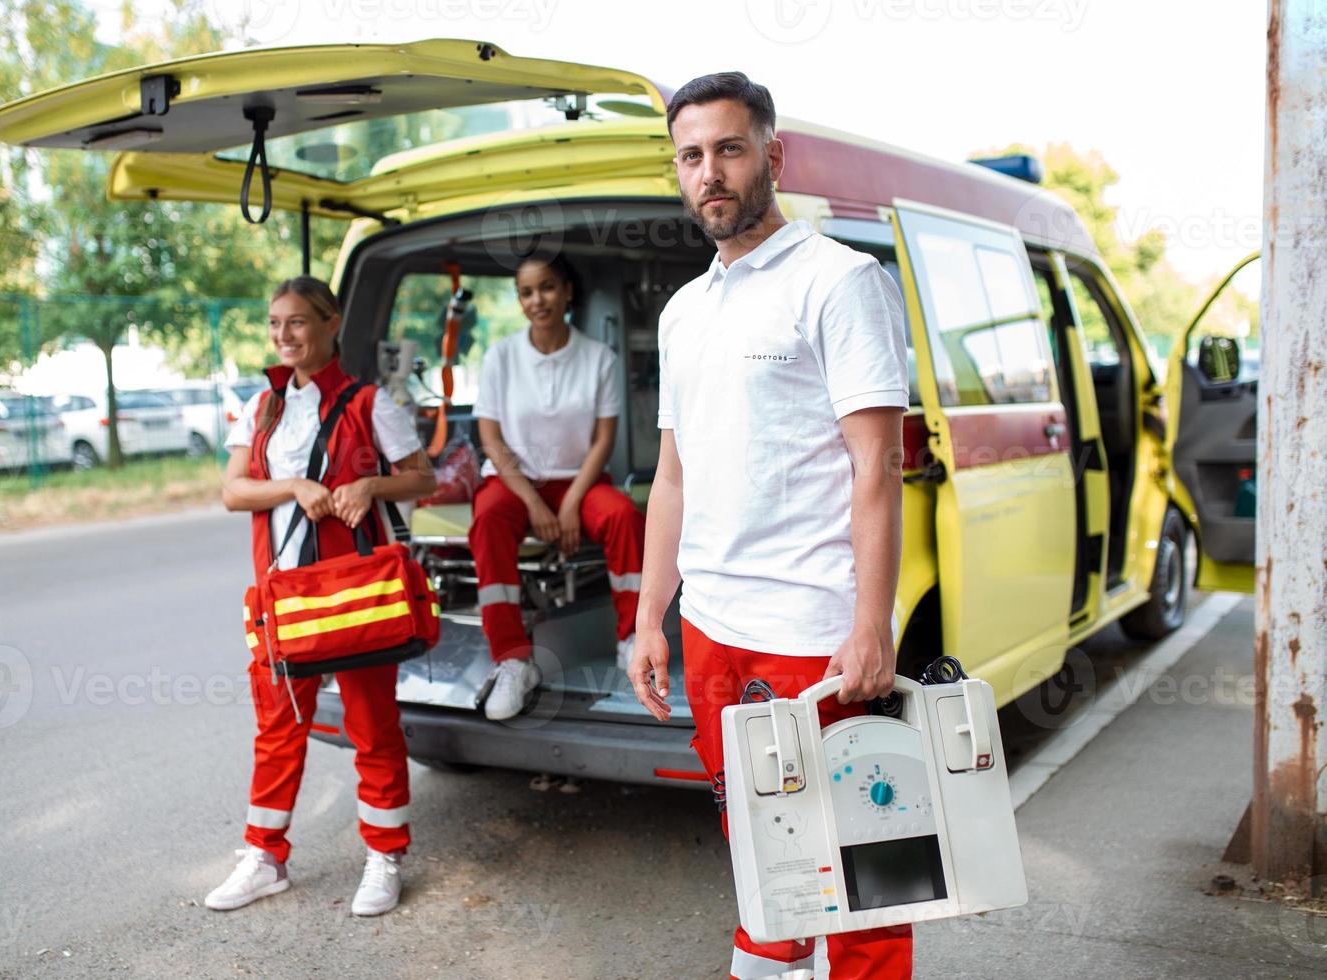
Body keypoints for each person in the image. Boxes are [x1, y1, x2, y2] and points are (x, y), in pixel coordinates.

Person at [627, 73, 915, 979]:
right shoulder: (683, 312)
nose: (709, 172)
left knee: (861, 869)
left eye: (728, 148)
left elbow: (879, 464)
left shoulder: (840, 281)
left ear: (771, 156)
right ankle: (768, 960)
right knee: (762, 839)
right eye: (690, 155)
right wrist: (650, 617)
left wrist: (870, 625)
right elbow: (674, 475)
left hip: (810, 635)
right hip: (714, 627)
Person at [206, 276, 437, 916]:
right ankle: (264, 856)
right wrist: (292, 486)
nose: (284, 336)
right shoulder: (261, 407)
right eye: (276, 323)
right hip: (282, 598)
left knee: (373, 727)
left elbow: (424, 476)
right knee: (278, 730)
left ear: (331, 324)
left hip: (356, 596)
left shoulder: (369, 403)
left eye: (298, 322)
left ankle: (385, 857)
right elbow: (232, 490)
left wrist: (370, 484)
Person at [470, 252, 646, 721]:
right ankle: (512, 658)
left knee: (625, 517)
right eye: (526, 292)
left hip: (580, 481)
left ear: (567, 291)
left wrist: (568, 503)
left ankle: (633, 644)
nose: (537, 299)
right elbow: (490, 437)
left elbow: (603, 439)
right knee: (487, 518)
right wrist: (532, 501)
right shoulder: (501, 356)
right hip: (515, 482)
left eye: (547, 287)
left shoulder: (598, 358)